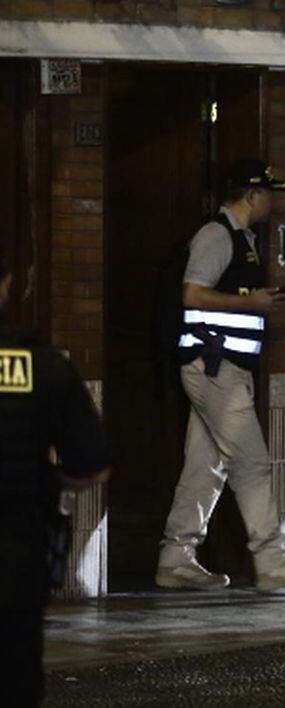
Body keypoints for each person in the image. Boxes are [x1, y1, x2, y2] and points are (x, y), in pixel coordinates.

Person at [156, 159, 285, 592]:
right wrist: (251, 305)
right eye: (269, 193)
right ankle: (271, 561)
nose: (273, 202)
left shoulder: (243, 238)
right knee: (250, 462)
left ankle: (175, 557)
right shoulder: (217, 235)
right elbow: (192, 293)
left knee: (205, 467)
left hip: (223, 367)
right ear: (251, 195)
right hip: (214, 366)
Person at [0, 254, 112, 707]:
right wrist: (47, 481)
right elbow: (92, 463)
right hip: (16, 556)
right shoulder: (40, 364)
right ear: (6, 285)